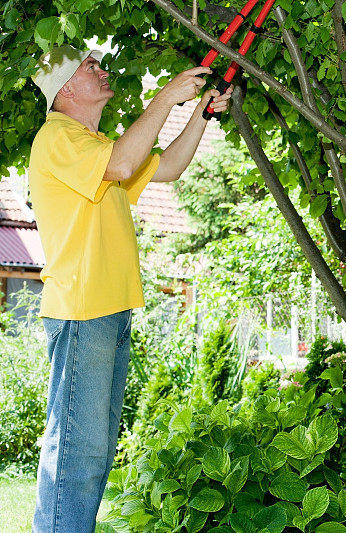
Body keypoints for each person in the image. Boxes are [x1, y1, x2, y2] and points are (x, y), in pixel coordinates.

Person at [28, 44, 232, 532]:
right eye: (89, 67)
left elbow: (167, 167)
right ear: (66, 90)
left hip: (109, 312)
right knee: (78, 449)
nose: (102, 71)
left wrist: (200, 115)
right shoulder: (59, 138)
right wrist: (165, 98)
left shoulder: (94, 147)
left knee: (92, 452)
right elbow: (122, 165)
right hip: (82, 312)